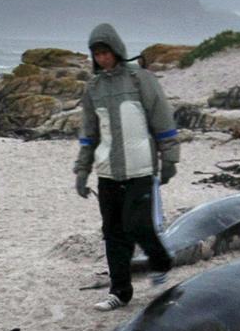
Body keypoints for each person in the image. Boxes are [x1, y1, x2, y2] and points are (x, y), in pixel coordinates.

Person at [74, 22, 182, 310]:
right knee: (112, 232)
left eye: (105, 52)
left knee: (138, 226)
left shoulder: (140, 79)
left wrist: (169, 157)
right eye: (97, 54)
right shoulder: (93, 88)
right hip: (108, 171)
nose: (102, 59)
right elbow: (89, 133)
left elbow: (162, 119)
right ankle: (119, 292)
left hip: (140, 169)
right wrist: (82, 171)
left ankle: (161, 261)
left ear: (117, 50)